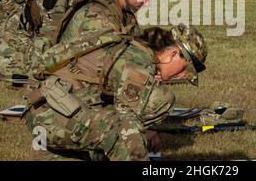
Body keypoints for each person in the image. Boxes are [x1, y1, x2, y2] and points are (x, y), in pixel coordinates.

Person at [24, 24, 208, 161]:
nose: (181, 75)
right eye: (185, 69)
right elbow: (126, 122)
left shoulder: (129, 47)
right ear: (173, 54)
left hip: (46, 110)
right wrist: (139, 137)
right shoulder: (137, 60)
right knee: (124, 129)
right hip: (54, 116)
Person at [0, 0, 166, 80]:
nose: (147, 3)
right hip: (32, 66)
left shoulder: (123, 12)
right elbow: (102, 68)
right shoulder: (98, 16)